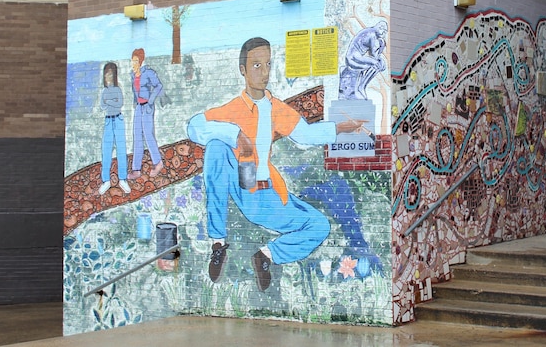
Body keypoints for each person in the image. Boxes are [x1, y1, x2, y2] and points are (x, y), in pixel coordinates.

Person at [187, 37, 366, 289]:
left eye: (268, 64)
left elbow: (305, 136)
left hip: (266, 194)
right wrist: (235, 135)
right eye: (257, 65)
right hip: (241, 182)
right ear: (243, 70)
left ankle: (266, 256)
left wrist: (341, 128)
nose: (265, 72)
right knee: (216, 148)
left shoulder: (276, 108)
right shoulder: (234, 108)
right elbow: (194, 127)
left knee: (319, 225)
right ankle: (218, 243)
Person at [130, 48, 164, 179]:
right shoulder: (133, 75)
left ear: (141, 61)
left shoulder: (148, 72)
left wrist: (150, 100)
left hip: (147, 107)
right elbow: (135, 90)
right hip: (139, 107)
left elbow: (158, 86)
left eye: (136, 61)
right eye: (132, 61)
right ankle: (136, 169)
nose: (134, 63)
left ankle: (158, 162)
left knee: (148, 134)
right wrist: (135, 101)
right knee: (137, 136)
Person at [99, 62, 129, 194]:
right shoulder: (104, 91)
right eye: (106, 74)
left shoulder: (118, 90)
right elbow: (103, 106)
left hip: (118, 119)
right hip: (108, 121)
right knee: (106, 150)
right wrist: (111, 103)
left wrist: (109, 102)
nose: (108, 77)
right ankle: (106, 180)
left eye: (110, 74)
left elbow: (119, 105)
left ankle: (123, 179)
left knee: (121, 149)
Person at [338, 20, 387, 99]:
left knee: (378, 64)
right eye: (383, 31)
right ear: (379, 27)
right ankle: (361, 86)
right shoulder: (372, 34)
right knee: (377, 64)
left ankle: (362, 86)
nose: (383, 33)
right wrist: (381, 44)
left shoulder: (370, 32)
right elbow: (374, 55)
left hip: (355, 57)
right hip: (353, 58)